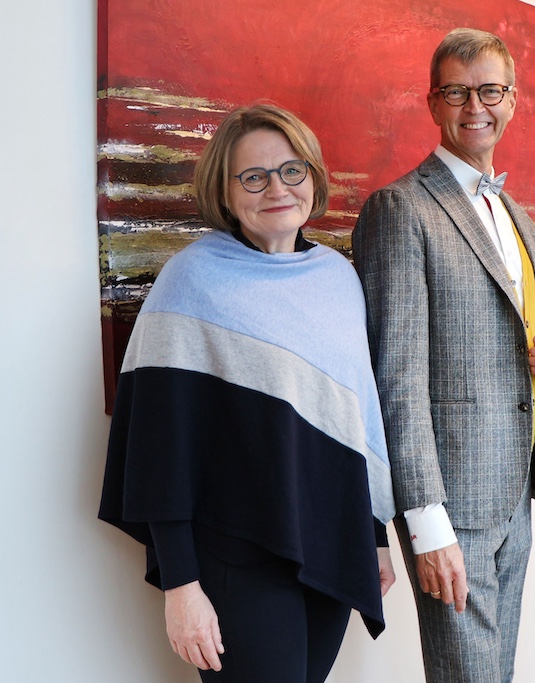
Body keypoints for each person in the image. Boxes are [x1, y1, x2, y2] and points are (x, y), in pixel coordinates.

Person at [98, 103, 396, 683]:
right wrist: (181, 586)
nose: (276, 189)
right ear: (226, 191)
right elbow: (161, 448)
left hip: (327, 543)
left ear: (312, 176)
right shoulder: (193, 279)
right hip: (234, 557)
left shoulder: (337, 279)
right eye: (253, 177)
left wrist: (373, 535)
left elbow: (355, 416)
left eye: (292, 171)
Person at [352, 27, 535, 683]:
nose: (475, 105)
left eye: (490, 90)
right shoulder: (400, 208)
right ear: (433, 101)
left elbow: (525, 346)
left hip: (514, 498)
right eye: (456, 91)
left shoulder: (516, 213)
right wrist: (424, 522)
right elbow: (395, 378)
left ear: (512, 100)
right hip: (451, 505)